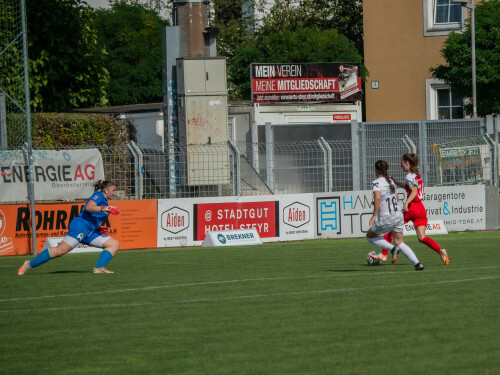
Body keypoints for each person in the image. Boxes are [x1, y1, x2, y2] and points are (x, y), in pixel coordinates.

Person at [18, 180, 121, 275]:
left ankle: (99, 268)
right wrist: (105, 208)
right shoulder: (98, 195)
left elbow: (93, 217)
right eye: (113, 190)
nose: (114, 192)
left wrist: (98, 228)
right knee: (60, 251)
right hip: (81, 227)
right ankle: (29, 264)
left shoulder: (105, 201)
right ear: (106, 190)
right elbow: (89, 207)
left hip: (90, 231)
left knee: (114, 244)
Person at [381, 153, 449, 265]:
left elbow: (414, 191)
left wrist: (406, 203)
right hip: (420, 208)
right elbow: (410, 187)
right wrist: (396, 181)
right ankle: (440, 251)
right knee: (422, 237)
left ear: (407, 163)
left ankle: (384, 254)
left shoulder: (409, 176)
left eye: (402, 163)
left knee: (391, 226)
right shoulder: (417, 174)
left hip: (412, 207)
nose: (400, 165)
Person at [366, 160, 424, 271]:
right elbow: (396, 198)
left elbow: (378, 197)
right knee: (400, 242)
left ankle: (392, 249)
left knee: (369, 236)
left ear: (375, 170)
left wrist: (374, 215)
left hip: (386, 217)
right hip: (398, 216)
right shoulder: (391, 182)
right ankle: (417, 264)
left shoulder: (376, 182)